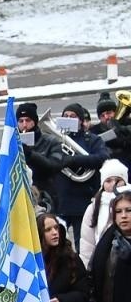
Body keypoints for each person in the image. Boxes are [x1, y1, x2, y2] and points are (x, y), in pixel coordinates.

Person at [49, 102, 109, 239]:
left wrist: (74, 160)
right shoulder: (55, 141)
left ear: (81, 120)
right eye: (66, 116)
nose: (68, 118)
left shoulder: (92, 140)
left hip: (82, 202)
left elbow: (102, 158)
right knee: (56, 245)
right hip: (60, 201)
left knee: (82, 243)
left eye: (73, 116)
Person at [95, 98, 131, 165]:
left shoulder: (127, 123)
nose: (106, 117)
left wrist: (119, 129)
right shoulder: (95, 130)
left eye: (108, 113)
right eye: (102, 116)